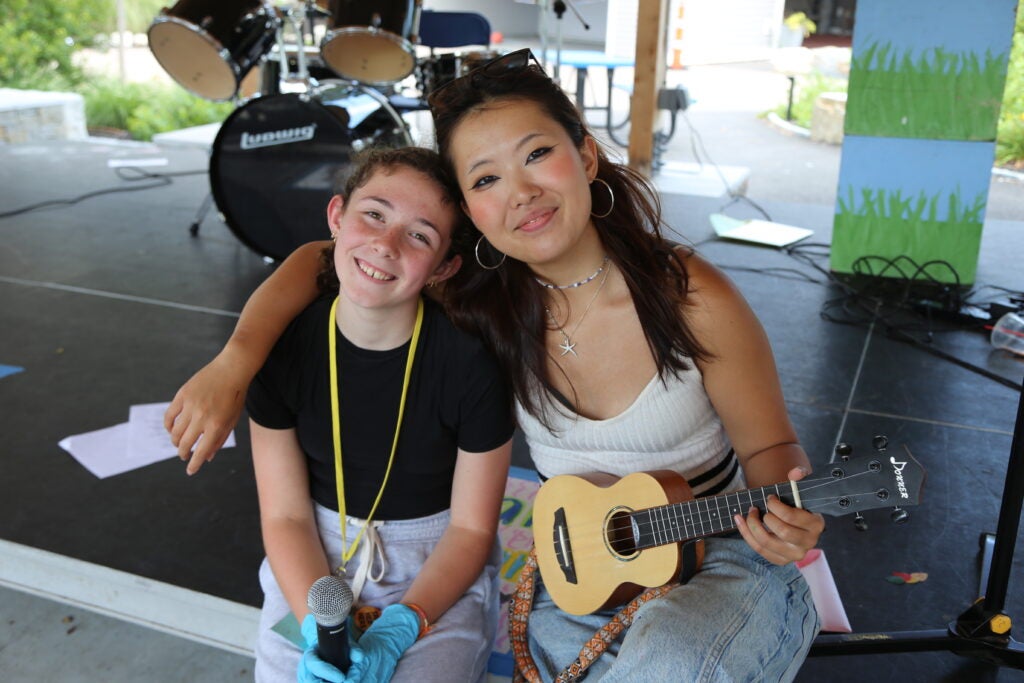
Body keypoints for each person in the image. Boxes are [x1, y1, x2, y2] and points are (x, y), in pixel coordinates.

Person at [166, 51, 823, 682]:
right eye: (485, 179)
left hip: (718, 550)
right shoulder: (482, 303)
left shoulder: (689, 295)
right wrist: (235, 362)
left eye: (537, 154)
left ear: (585, 155)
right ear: (470, 214)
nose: (522, 193)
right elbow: (325, 256)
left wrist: (783, 517)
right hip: (586, 571)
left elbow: (770, 445)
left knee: (673, 663)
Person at [233, 147, 514, 683]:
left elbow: (472, 528)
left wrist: (407, 621)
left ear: (444, 266)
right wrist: (318, 624)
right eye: (375, 215)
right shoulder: (283, 348)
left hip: (435, 563)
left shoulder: (470, 364)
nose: (385, 245)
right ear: (336, 217)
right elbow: (286, 517)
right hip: (315, 552)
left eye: (420, 236)